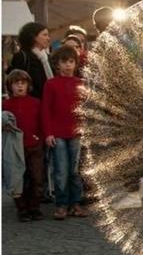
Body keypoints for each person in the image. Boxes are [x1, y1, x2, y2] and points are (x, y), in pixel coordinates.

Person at [42, 45, 87, 220]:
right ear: (57, 64)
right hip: (57, 133)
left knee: (75, 171)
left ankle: (75, 203)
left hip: (76, 132)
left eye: (71, 62)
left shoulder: (80, 83)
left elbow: (84, 109)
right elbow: (46, 110)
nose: (68, 65)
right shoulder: (51, 84)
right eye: (64, 62)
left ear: (75, 64)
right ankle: (61, 205)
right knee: (61, 170)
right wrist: (48, 133)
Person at [2, 70, 44, 221]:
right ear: (10, 86)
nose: (20, 86)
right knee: (18, 178)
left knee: (36, 177)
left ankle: (34, 207)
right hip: (15, 148)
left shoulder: (35, 103)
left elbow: (42, 122)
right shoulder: (5, 105)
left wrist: (40, 138)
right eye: (16, 83)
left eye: (23, 83)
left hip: (34, 145)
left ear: (28, 85)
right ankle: (22, 208)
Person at [8, 22, 52, 99]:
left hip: (47, 101)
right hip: (29, 102)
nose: (48, 38)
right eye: (44, 35)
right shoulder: (22, 56)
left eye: (48, 35)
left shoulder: (47, 57)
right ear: (33, 37)